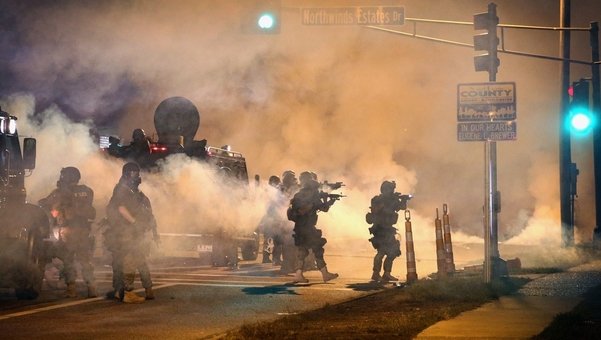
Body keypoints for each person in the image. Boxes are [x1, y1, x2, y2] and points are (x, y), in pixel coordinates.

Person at [39, 166, 97, 298]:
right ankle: (91, 287)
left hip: (68, 231)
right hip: (84, 231)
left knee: (69, 260)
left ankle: (71, 289)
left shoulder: (60, 193)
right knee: (85, 260)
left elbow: (47, 205)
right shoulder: (87, 191)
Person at [106, 162, 159, 303]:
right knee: (130, 260)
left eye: (137, 173)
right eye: (134, 173)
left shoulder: (133, 191)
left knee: (137, 260)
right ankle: (127, 293)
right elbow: (121, 208)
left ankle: (142, 290)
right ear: (128, 174)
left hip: (133, 232)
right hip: (126, 232)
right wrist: (135, 223)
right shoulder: (122, 190)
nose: (137, 176)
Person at [287, 171, 338, 283]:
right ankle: (325, 274)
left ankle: (298, 274)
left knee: (302, 251)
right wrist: (329, 201)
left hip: (299, 227)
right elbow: (324, 208)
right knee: (317, 249)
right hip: (309, 228)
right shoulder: (313, 195)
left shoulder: (298, 195)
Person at [366, 181, 404, 283]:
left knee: (393, 251)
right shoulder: (377, 200)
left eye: (392, 189)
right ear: (384, 190)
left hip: (388, 229)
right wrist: (393, 200)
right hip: (379, 229)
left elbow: (401, 207)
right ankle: (375, 273)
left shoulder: (392, 200)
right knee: (381, 252)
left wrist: (403, 200)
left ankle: (386, 273)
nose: (392, 191)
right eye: (390, 189)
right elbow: (382, 210)